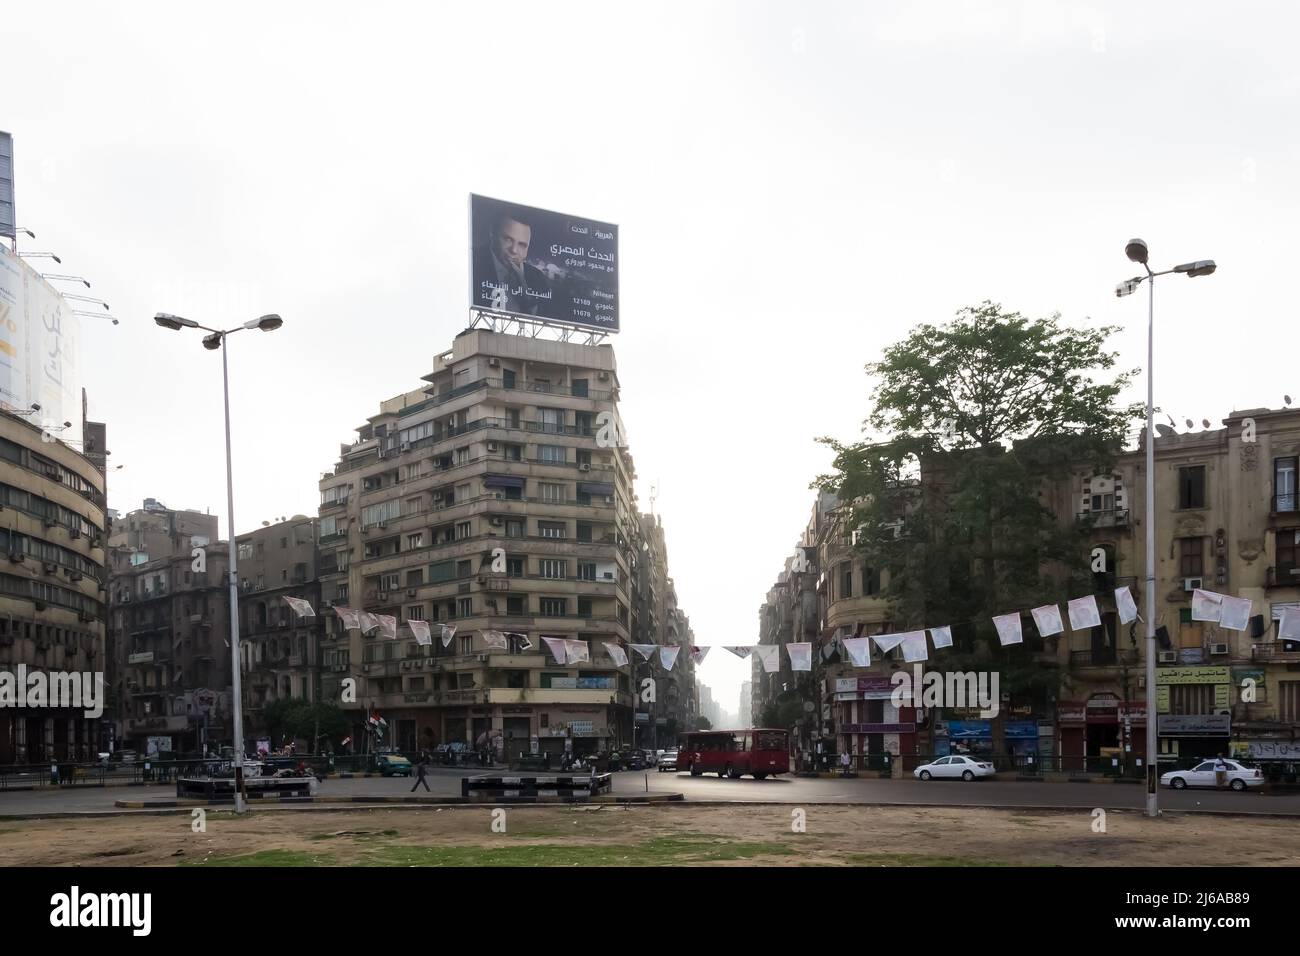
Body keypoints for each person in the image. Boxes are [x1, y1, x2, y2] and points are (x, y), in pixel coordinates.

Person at [472, 208, 554, 317]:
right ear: (492, 233)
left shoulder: (537, 278)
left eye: (522, 245)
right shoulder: (474, 263)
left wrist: (526, 293)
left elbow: (543, 315)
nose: (514, 250)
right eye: (508, 239)